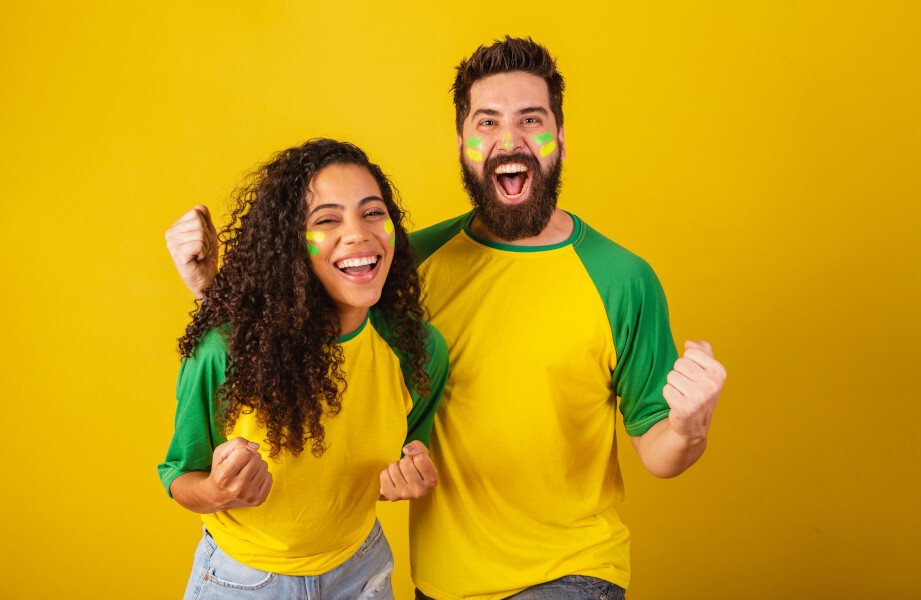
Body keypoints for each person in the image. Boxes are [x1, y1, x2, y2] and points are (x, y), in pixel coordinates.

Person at [166, 37, 726, 600]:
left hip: (575, 570)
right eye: (487, 123)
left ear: (560, 136)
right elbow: (302, 321)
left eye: (531, 119)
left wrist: (688, 426)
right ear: (463, 143)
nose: (510, 140)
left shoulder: (623, 279)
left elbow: (660, 452)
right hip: (440, 582)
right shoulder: (403, 265)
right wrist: (210, 289)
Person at [158, 139, 448, 600]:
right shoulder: (223, 351)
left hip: (362, 572)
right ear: (290, 245)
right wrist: (217, 490)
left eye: (372, 212)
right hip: (243, 582)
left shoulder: (418, 350)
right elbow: (179, 476)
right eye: (327, 219)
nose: (358, 234)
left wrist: (407, 477)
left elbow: (397, 457)